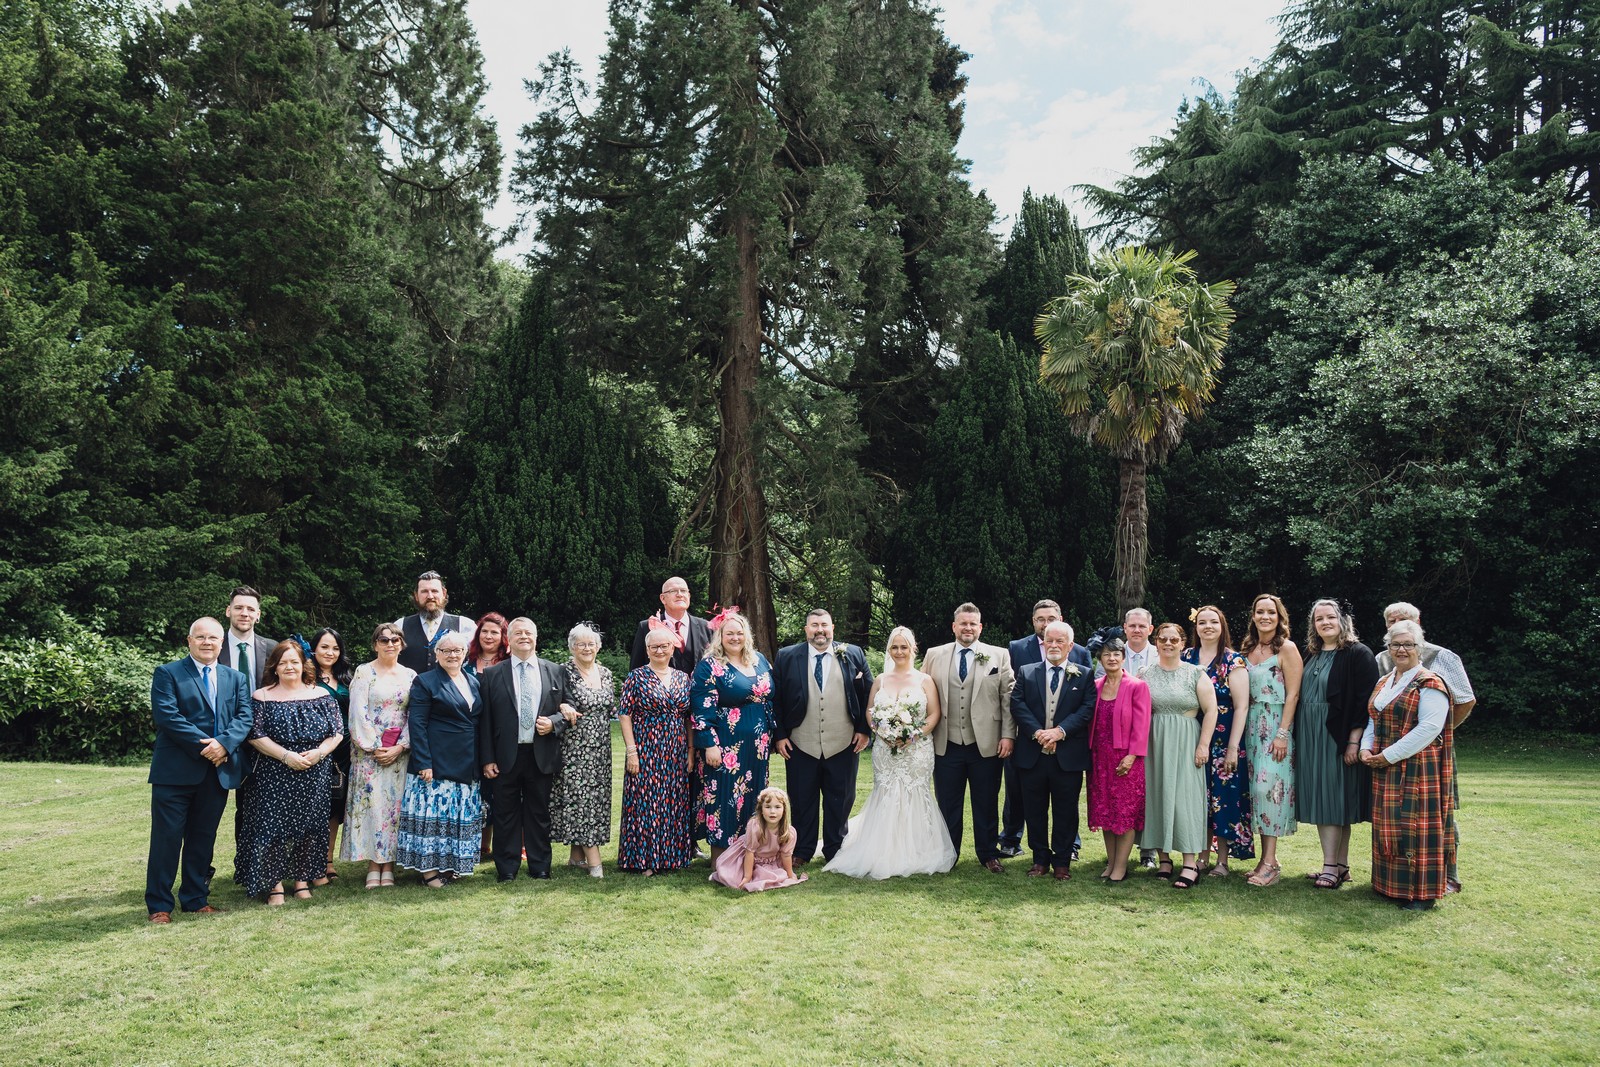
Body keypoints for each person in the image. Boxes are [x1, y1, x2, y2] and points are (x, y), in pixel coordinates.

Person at [824, 626, 956, 879]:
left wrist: (913, 734)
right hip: (885, 749)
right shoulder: (881, 680)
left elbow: (935, 714)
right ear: (889, 650)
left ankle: (917, 849)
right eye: (894, 647)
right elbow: (870, 711)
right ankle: (880, 849)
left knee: (915, 791)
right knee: (885, 791)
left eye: (904, 647)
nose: (899, 651)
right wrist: (881, 732)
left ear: (913, 649)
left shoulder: (924, 680)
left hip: (917, 749)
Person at [144, 617, 253, 922]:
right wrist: (207, 746)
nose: (207, 642)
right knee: (166, 839)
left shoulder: (235, 678)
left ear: (222, 643)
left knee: (202, 838)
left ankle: (194, 898)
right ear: (189, 641)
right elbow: (167, 716)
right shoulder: (168, 673)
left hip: (216, 772)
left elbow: (244, 717)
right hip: (175, 772)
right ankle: (160, 906)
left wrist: (225, 744)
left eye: (213, 638)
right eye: (201, 637)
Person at [1376, 601, 1475, 893]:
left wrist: (1438, 732)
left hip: (1432, 750)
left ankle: (1447, 875)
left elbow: (1465, 700)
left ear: (1419, 623)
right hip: (1390, 748)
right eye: (1392, 620)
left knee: (1437, 813)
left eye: (1404, 619)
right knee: (1398, 815)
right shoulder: (1382, 659)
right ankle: (1398, 877)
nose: (1398, 622)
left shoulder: (1442, 657)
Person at [235, 641, 344, 904]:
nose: (289, 667)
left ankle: (301, 880)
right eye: (283, 662)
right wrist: (286, 756)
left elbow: (338, 731)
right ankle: (273, 884)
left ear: (303, 664)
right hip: (274, 771)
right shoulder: (262, 696)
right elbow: (255, 735)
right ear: (274, 666)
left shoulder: (320, 694)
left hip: (314, 770)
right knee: (272, 826)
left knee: (310, 826)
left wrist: (319, 752)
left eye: (294, 661)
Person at [1361, 619, 1456, 910]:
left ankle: (1422, 894)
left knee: (1415, 828)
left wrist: (1387, 755)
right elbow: (1372, 719)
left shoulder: (1430, 682)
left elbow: (1428, 729)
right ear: (1388, 649)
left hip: (1417, 768)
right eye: (1395, 644)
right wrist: (1366, 748)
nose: (1401, 650)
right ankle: (1389, 886)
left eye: (1408, 644)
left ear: (1420, 648)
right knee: (1390, 826)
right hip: (1385, 766)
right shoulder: (1385, 681)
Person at [773, 609, 872, 865]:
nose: (820, 630)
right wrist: (781, 735)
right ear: (806, 629)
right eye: (814, 625)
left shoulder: (853, 653)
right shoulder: (787, 656)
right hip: (800, 742)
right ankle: (802, 850)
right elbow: (776, 699)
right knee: (802, 798)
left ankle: (835, 849)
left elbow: (869, 694)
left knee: (840, 799)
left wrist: (863, 729)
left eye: (824, 625)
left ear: (833, 628)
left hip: (843, 742)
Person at [478, 617, 574, 882]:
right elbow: (485, 721)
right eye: (518, 633)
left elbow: (569, 707)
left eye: (528, 632)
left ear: (536, 636)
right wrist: (487, 759)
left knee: (539, 813)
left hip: (541, 754)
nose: (524, 636)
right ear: (509, 639)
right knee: (505, 814)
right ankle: (507, 869)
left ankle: (540, 865)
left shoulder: (555, 671)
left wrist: (554, 723)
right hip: (505, 755)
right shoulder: (494, 673)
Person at [924, 602, 1016, 873]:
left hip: (985, 743)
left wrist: (1008, 735)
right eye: (962, 623)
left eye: (972, 623)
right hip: (946, 742)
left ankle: (988, 853)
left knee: (986, 801)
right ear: (954, 626)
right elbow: (922, 696)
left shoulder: (998, 655)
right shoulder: (934, 655)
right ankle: (948, 853)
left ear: (980, 627)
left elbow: (1007, 699)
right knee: (948, 802)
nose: (967, 628)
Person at [1296, 599, 1379, 889]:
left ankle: (1330, 866)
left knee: (1331, 800)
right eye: (1319, 619)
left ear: (1343, 620)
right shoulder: (1310, 654)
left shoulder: (1358, 654)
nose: (1325, 623)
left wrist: (1354, 741)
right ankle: (1340, 865)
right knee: (1328, 800)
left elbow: (1364, 702)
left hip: (1337, 736)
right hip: (1310, 735)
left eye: (1330, 617)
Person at [1001, 599, 1091, 858]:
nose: (1046, 625)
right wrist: (1037, 733)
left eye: (1051, 619)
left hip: (1067, 747)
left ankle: (1066, 852)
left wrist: (1060, 732)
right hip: (1030, 743)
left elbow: (1086, 704)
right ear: (1033, 622)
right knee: (1025, 799)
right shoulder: (1018, 651)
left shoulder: (1081, 662)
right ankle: (1022, 844)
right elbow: (1015, 699)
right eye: (1040, 619)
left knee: (1067, 805)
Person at [396, 631, 485, 887]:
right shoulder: (425, 682)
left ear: (465, 653)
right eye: (445, 650)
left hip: (467, 760)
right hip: (437, 760)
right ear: (436, 654)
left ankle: (450, 866)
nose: (452, 655)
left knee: (456, 816)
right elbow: (417, 723)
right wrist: (424, 762)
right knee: (434, 817)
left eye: (457, 650)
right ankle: (429, 872)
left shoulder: (473, 681)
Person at [1137, 623, 1219, 889]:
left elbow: (1212, 710)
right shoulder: (1145, 673)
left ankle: (1189, 863)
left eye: (1174, 639)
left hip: (1186, 739)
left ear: (1183, 644)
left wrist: (1203, 745)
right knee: (1158, 795)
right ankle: (1163, 859)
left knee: (1185, 800)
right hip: (1154, 741)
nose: (1168, 643)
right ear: (1156, 641)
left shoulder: (1195, 673)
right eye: (1163, 639)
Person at [691, 609, 775, 857]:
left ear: (746, 635)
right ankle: (721, 857)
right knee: (724, 796)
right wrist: (709, 745)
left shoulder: (759, 659)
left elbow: (770, 698)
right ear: (720, 636)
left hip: (758, 744)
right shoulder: (710, 666)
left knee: (753, 795)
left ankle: (750, 852)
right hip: (726, 743)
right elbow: (701, 708)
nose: (735, 637)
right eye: (730, 633)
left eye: (740, 633)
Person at [342, 622, 417, 889]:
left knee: (393, 808)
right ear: (375, 644)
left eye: (395, 640)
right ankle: (374, 864)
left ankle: (390, 865)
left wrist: (401, 746)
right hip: (369, 752)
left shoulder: (410, 675)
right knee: (373, 806)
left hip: (399, 752)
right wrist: (374, 747)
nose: (389, 644)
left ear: (401, 644)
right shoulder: (364, 672)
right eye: (383, 640)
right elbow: (357, 712)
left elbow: (414, 715)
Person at [617, 625, 696, 875]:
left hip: (676, 749)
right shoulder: (636, 677)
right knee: (645, 803)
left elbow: (688, 717)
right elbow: (625, 714)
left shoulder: (684, 678)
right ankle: (644, 859)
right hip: (646, 748)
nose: (660, 650)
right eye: (654, 647)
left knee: (673, 803)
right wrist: (632, 751)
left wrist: (691, 751)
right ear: (647, 650)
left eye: (664, 646)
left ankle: (671, 857)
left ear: (672, 648)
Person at [1181, 606, 1253, 878]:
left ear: (1222, 626)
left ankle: (1222, 860)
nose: (1207, 626)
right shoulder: (1186, 657)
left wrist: (1233, 748)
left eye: (1213, 622)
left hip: (1224, 740)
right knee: (1198, 798)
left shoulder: (1233, 661)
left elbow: (1242, 706)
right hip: (1192, 736)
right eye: (1202, 622)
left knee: (1223, 799)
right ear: (1195, 627)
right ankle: (1200, 856)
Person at [1240, 593, 1302, 887]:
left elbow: (1293, 693)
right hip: (1249, 725)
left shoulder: (1286, 649)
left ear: (1280, 618)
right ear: (1253, 615)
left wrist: (1282, 733)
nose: (1265, 617)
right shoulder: (1248, 647)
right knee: (1255, 791)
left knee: (1270, 790)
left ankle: (1270, 863)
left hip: (1275, 725)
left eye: (1271, 613)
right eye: (1260, 611)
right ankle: (1266, 860)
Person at [551, 623, 616, 878]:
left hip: (601, 747)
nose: (587, 648)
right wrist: (562, 705)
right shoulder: (562, 671)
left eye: (591, 643)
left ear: (598, 647)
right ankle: (595, 863)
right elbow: (549, 697)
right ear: (572, 647)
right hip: (575, 747)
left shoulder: (606, 672)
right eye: (581, 644)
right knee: (582, 800)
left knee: (596, 799)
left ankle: (576, 857)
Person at [1086, 638, 1149, 883]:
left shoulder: (1136, 686)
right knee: (1105, 812)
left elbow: (1142, 726)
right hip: (1099, 759)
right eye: (1106, 655)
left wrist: (1132, 756)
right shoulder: (1095, 685)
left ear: (1123, 658)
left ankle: (1121, 866)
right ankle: (1110, 862)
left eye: (1116, 654)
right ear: (1099, 660)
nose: (1111, 658)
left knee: (1124, 813)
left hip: (1126, 759)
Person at [308, 628, 353, 885]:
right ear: (314, 649)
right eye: (325, 647)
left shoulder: (345, 677)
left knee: (335, 805)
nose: (330, 652)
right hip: (316, 746)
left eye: (335, 648)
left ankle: (327, 860)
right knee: (314, 805)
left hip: (344, 749)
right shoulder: (305, 676)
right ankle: (309, 862)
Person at [710, 787, 808, 891]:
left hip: (770, 860)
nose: (772, 812)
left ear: (784, 810)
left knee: (775, 876)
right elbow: (749, 852)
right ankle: (727, 874)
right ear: (761, 810)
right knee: (732, 877)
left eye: (777, 807)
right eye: (768, 807)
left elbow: (786, 855)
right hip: (748, 857)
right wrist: (747, 877)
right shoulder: (755, 826)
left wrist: (790, 874)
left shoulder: (789, 832)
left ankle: (763, 872)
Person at [395, 570, 476, 676]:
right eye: (424, 591)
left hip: (450, 691)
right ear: (416, 595)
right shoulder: (400, 626)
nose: (430, 596)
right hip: (411, 691)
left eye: (434, 591)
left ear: (444, 593)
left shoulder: (465, 625)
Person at [629, 576, 712, 673]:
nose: (680, 594)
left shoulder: (706, 627)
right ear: (663, 598)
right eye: (673, 591)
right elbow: (635, 670)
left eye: (683, 591)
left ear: (689, 596)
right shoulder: (646, 627)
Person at [218, 585, 278, 687]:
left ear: (258, 615)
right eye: (238, 608)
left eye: (251, 609)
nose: (244, 613)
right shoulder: (215, 646)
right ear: (228, 611)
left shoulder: (272, 648)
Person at [466, 611, 510, 676]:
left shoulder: (510, 663)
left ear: (503, 636)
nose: (488, 636)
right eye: (484, 631)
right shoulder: (466, 660)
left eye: (494, 632)